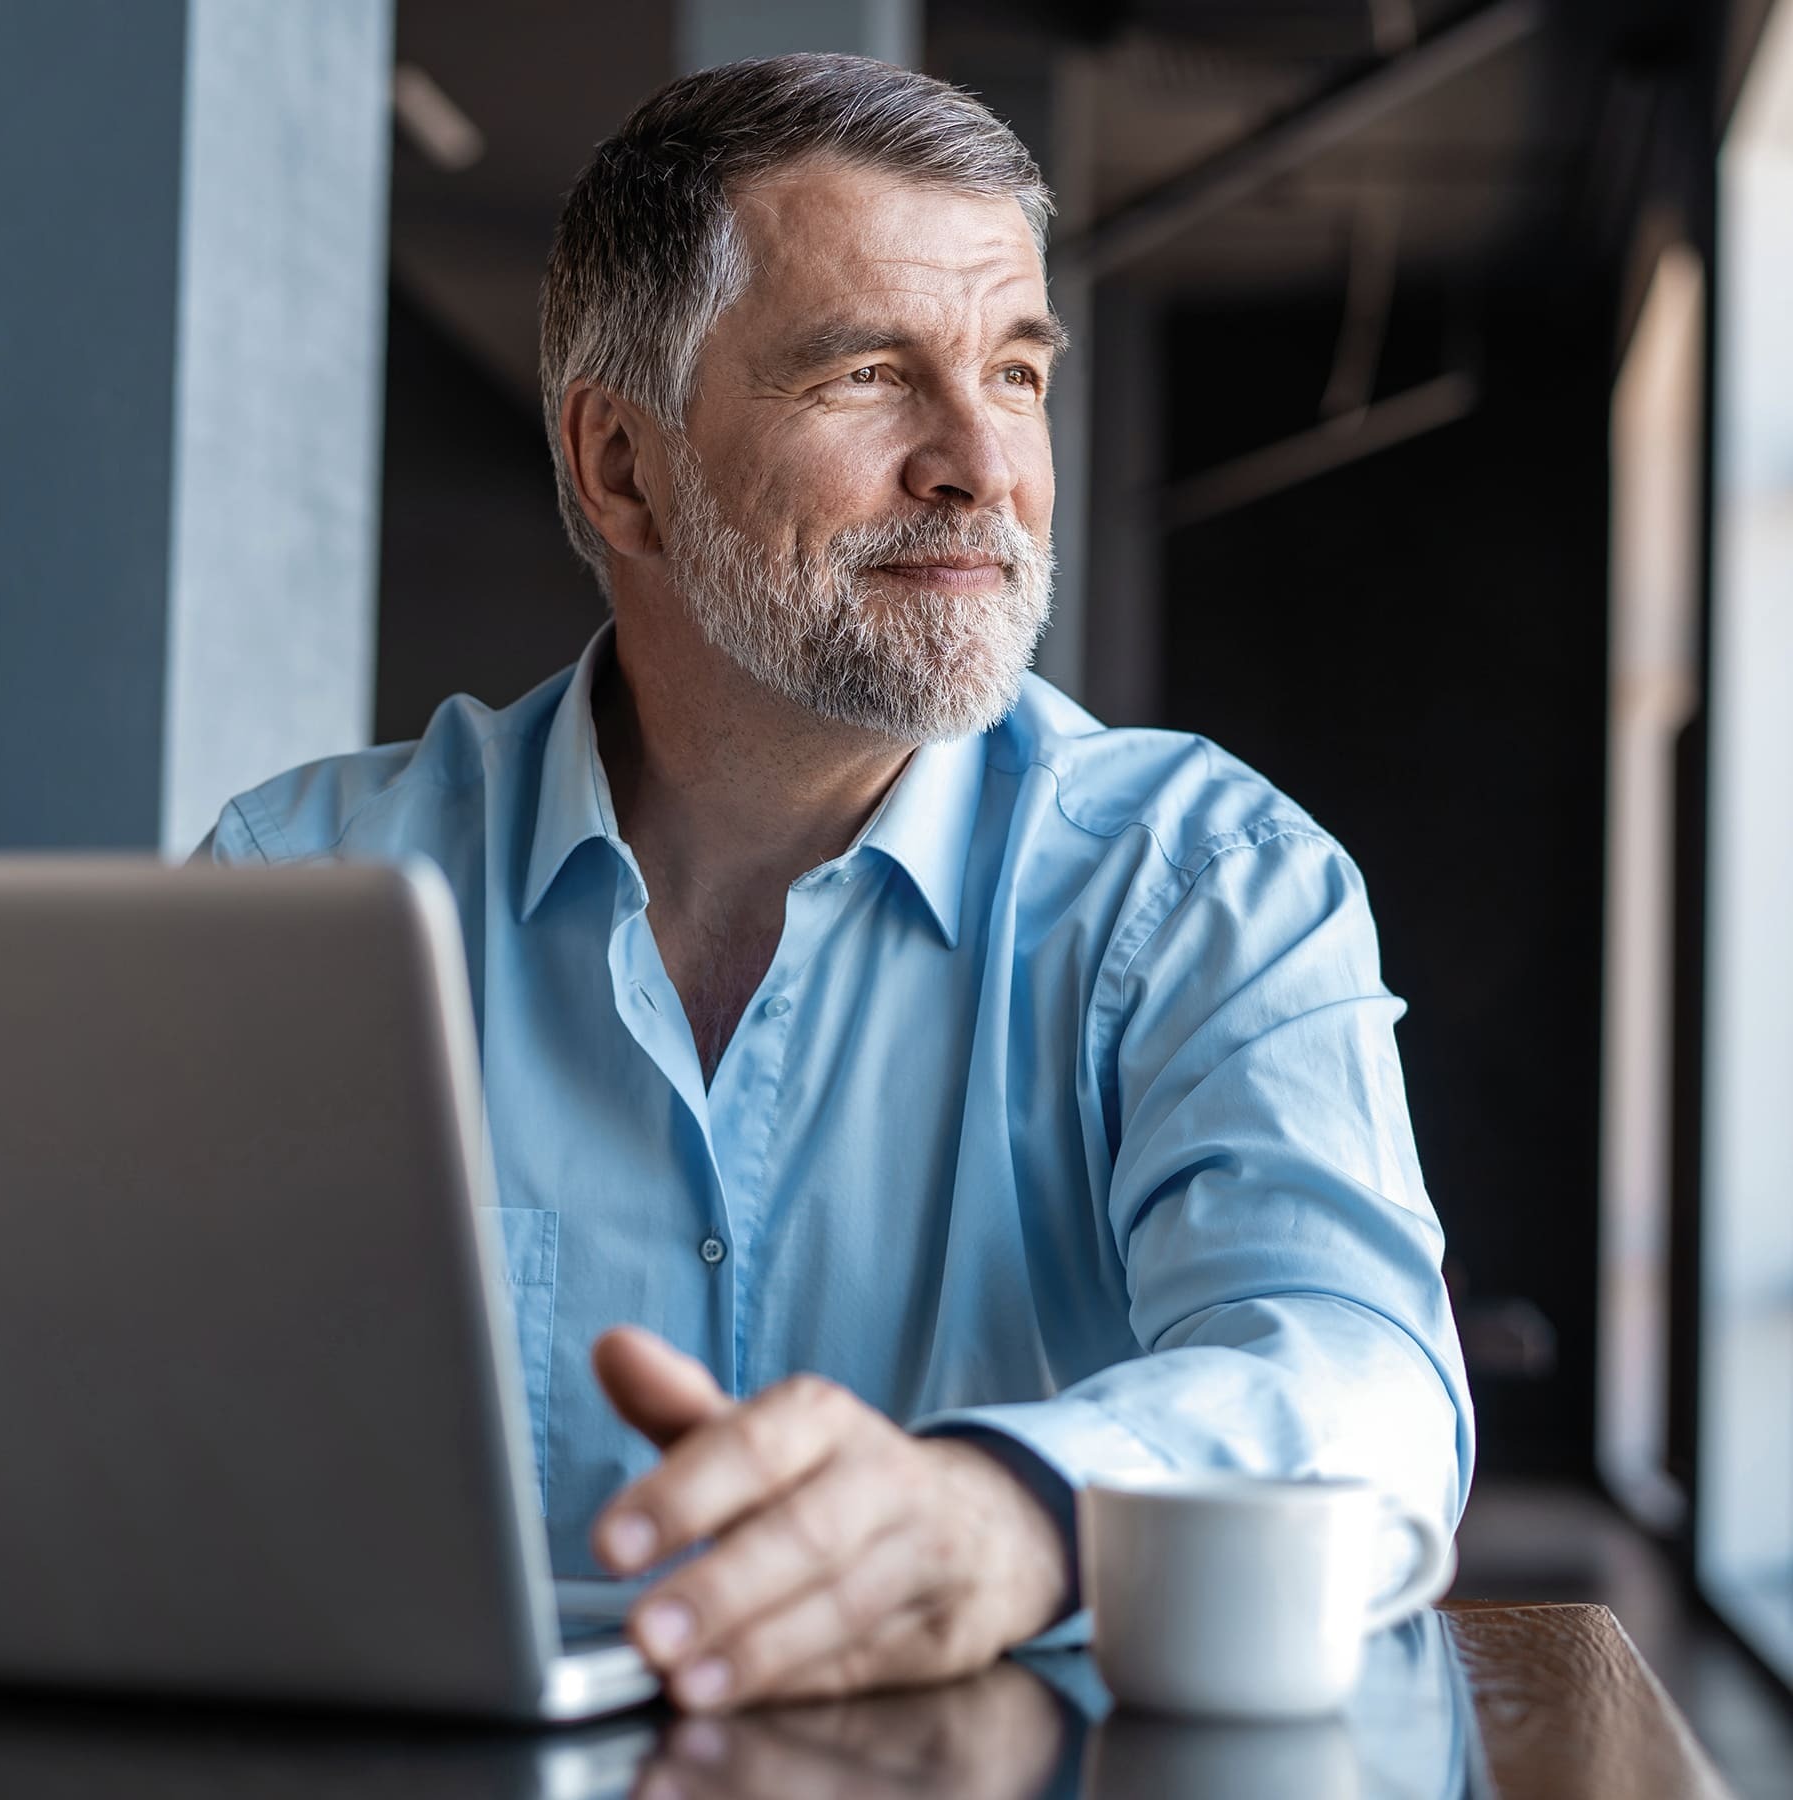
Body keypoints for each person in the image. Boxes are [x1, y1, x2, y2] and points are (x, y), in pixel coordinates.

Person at [195, 53, 1472, 1713]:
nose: (977, 465)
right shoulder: (305, 897)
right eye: (870, 374)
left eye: (1014, 374)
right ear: (622, 468)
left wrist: (1013, 1509)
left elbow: (1367, 1380)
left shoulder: (1206, 886)